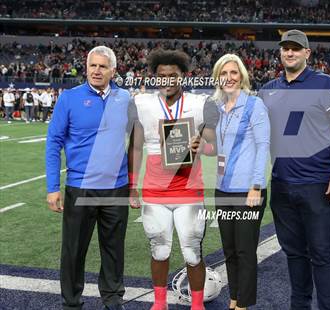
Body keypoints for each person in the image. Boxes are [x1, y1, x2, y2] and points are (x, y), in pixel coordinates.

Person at [260, 29, 330, 310]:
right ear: (280, 52)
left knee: (322, 254)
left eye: (296, 49)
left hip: (317, 185)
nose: (289, 53)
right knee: (294, 254)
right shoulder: (267, 90)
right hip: (282, 185)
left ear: (307, 54)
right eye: (285, 48)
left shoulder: (325, 85)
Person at [128, 49, 218, 310]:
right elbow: (134, 147)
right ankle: (159, 302)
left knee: (191, 251)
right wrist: (132, 186)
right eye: (161, 76)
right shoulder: (143, 104)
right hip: (155, 191)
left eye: (173, 75)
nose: (167, 80)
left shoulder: (199, 104)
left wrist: (202, 146)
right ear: (155, 78)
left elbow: (215, 146)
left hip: (189, 190)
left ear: (184, 76)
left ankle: (197, 305)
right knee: (159, 250)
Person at [46, 46, 132, 310]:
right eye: (92, 65)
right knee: (73, 250)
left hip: (117, 188)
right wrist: (52, 187)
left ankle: (113, 299)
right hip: (80, 188)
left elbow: (139, 141)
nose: (96, 71)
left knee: (114, 248)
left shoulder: (127, 98)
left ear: (113, 71)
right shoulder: (69, 98)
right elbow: (53, 142)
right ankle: (71, 303)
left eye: (102, 66)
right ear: (86, 68)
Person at [211, 54, 270, 310]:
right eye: (224, 73)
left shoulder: (254, 105)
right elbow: (218, 149)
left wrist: (256, 186)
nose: (229, 77)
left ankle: (243, 305)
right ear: (218, 77)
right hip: (223, 190)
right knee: (229, 249)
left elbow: (262, 145)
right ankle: (234, 298)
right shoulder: (217, 108)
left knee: (245, 251)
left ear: (242, 76)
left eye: (234, 72)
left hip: (248, 191)